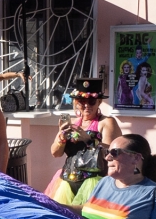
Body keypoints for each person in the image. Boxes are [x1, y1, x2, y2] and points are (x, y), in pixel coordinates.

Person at [73, 134, 156, 219]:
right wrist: (57, 207)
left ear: (136, 158)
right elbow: (86, 209)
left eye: (115, 152)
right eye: (107, 152)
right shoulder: (104, 182)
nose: (107, 157)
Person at [48, 77, 123, 208]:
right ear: (77, 103)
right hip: (68, 180)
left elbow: (112, 153)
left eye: (92, 101)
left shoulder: (106, 122)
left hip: (94, 180)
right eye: (82, 102)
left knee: (88, 218)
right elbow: (55, 153)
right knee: (64, 216)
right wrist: (61, 138)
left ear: (99, 102)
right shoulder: (72, 123)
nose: (87, 106)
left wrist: (88, 139)